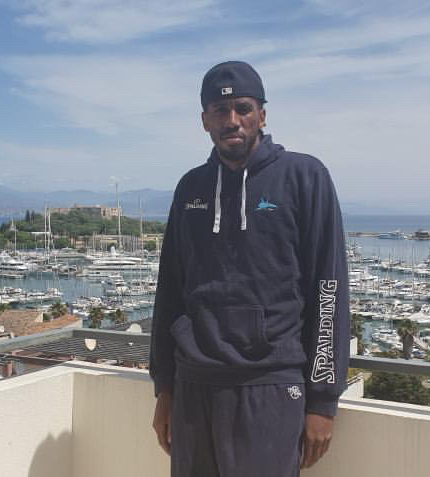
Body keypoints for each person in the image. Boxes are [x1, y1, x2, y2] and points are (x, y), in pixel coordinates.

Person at [149, 60, 351, 477]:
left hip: (270, 385)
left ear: (262, 114)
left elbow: (328, 290)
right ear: (205, 120)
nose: (232, 120)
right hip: (193, 386)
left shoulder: (305, 176)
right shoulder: (190, 187)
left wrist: (323, 400)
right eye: (220, 110)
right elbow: (169, 291)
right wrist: (164, 388)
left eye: (243, 108)